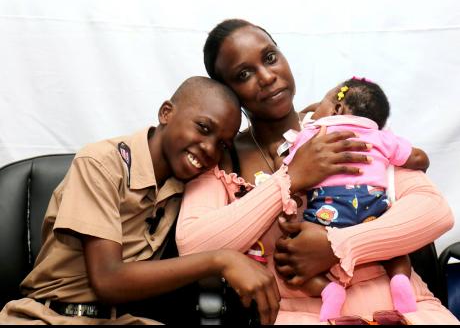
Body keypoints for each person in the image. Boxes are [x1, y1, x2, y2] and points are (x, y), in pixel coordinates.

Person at [176, 19, 459, 324]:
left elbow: (433, 212)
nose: (268, 77)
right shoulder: (222, 158)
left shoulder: (344, 125)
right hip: (299, 314)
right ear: (228, 92)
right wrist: (291, 177)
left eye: (270, 58)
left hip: (406, 306)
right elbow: (194, 246)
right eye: (243, 74)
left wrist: (337, 246)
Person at [0, 76, 282, 325]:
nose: (209, 149)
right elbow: (108, 280)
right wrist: (221, 260)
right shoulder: (101, 163)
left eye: (222, 144)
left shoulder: (186, 183)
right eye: (203, 128)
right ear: (166, 113)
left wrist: (309, 120)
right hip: (51, 317)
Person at [281, 76, 429, 321]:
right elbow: (417, 158)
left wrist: (306, 121)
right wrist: (421, 161)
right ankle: (400, 279)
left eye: (323, 102)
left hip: (330, 211)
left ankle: (328, 290)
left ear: (337, 108)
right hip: (374, 209)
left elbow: (291, 166)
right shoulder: (382, 137)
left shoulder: (317, 133)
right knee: (395, 253)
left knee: (293, 255)